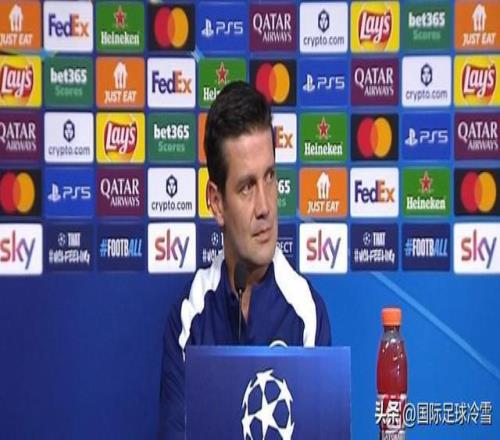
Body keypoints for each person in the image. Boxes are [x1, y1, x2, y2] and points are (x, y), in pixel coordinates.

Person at [158, 81, 331, 439]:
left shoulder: (307, 313)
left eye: (270, 178)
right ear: (216, 202)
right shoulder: (190, 316)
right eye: (247, 187)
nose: (265, 207)